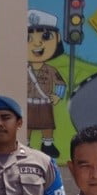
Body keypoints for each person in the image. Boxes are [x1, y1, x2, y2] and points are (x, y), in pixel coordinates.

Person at [26, 9, 66, 158]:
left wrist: (57, 96)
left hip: (44, 103)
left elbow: (61, 84)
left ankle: (47, 145)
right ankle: (26, 143)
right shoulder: (23, 69)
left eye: (46, 36)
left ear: (58, 39)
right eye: (27, 38)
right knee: (27, 125)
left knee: (47, 125)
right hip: (28, 103)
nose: (37, 43)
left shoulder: (50, 70)